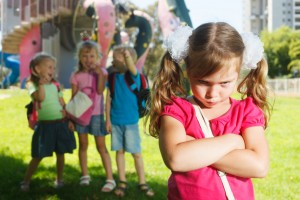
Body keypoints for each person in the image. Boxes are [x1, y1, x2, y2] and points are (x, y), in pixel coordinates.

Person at [146, 22, 272, 200]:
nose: (213, 94)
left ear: (238, 74)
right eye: (204, 82)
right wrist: (233, 141)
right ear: (188, 72)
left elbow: (259, 166)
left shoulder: (246, 112)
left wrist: (194, 148)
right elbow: (176, 159)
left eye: (225, 83)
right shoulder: (176, 111)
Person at [21, 52, 76, 191]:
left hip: (61, 123)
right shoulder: (31, 84)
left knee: (61, 153)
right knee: (38, 155)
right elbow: (40, 98)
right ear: (38, 69)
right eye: (49, 67)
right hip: (45, 126)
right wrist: (40, 84)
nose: (53, 70)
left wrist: (69, 118)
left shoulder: (56, 85)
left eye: (53, 67)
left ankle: (59, 179)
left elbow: (62, 103)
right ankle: (26, 181)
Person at [106, 45, 154, 197]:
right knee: (119, 152)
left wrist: (127, 56)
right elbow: (108, 100)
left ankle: (142, 182)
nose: (114, 60)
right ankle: (122, 181)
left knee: (136, 153)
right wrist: (107, 120)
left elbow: (132, 67)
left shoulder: (133, 75)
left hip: (131, 122)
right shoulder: (112, 77)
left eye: (117, 57)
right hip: (116, 121)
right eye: (113, 57)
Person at [70, 40, 115, 192]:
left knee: (101, 147)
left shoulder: (102, 72)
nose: (88, 59)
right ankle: (85, 175)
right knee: (83, 145)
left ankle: (110, 178)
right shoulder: (76, 75)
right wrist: (71, 118)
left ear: (97, 57)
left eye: (91, 56)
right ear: (79, 57)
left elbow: (100, 90)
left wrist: (99, 74)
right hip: (81, 115)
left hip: (96, 115)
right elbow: (74, 98)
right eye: (85, 56)